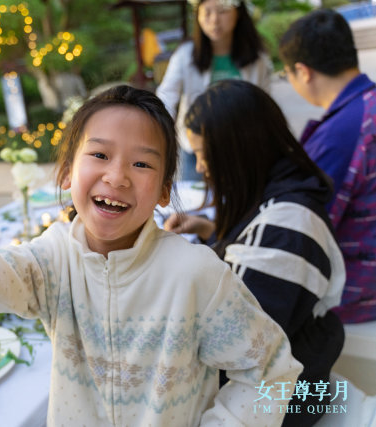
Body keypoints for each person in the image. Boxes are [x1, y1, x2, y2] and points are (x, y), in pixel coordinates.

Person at [0, 85, 302, 425]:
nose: (117, 176)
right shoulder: (52, 262)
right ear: (66, 172)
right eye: (99, 154)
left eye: (142, 164)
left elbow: (271, 369)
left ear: (166, 190)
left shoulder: (196, 276)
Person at [164, 80, 345, 426]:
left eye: (205, 154)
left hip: (281, 402)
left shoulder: (287, 230)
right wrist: (207, 230)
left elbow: (232, 346)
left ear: (240, 150)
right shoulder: (281, 196)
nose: (200, 167)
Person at [279, 9, 376, 323]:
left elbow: (304, 224)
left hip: (359, 293)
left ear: (303, 72)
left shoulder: (340, 132)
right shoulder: (366, 108)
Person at [155, 0, 272, 180]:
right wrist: (161, 134)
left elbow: (265, 105)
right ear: (197, 15)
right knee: (194, 201)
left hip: (242, 149)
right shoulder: (185, 54)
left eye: (222, 11)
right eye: (207, 12)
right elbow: (166, 96)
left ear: (238, 12)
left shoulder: (258, 59)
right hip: (196, 151)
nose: (214, 20)